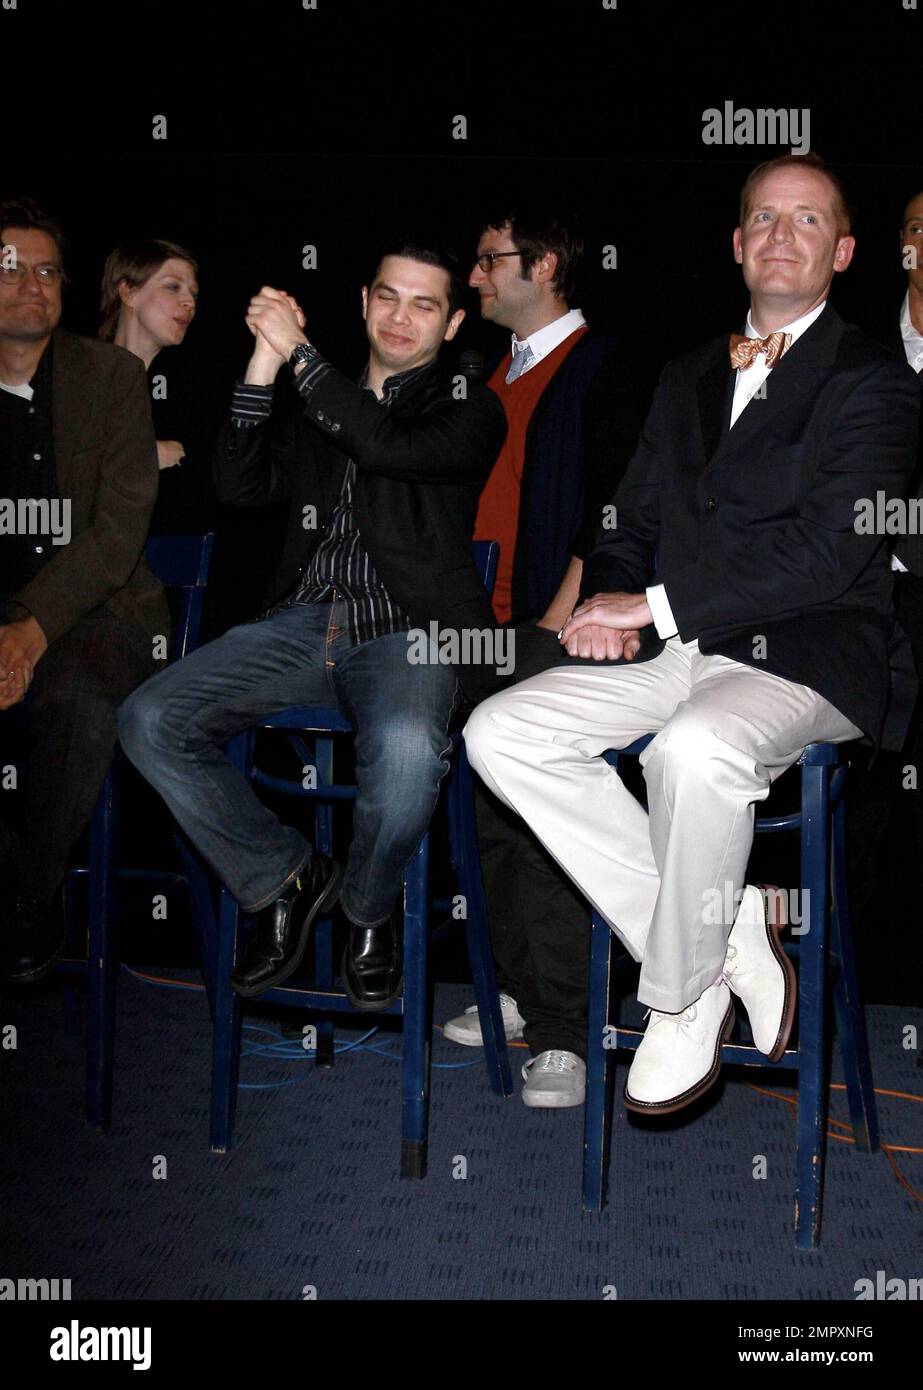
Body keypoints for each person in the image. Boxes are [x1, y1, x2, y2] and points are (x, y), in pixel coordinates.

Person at [464, 155, 921, 1115]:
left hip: (812, 652)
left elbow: (831, 554)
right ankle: (721, 934)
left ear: (840, 252)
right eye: (761, 218)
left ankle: (677, 1000)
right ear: (735, 243)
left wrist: (657, 605)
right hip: (680, 649)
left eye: (805, 222)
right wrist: (609, 602)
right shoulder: (683, 374)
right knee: (499, 731)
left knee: (695, 748)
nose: (779, 236)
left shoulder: (874, 381)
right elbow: (625, 523)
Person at [118, 240, 507, 1010]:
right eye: (388, 297)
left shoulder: (467, 407)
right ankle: (286, 877)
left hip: (409, 630)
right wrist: (266, 361)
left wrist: (301, 356)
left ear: (453, 322)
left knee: (402, 751)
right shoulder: (317, 403)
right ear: (363, 301)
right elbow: (236, 484)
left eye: (424, 304)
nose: (401, 317)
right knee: (148, 719)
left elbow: (384, 441)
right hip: (302, 624)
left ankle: (368, 909)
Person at [442, 210, 649, 1108]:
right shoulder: (489, 373)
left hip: (552, 628)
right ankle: (523, 997)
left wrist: (561, 620)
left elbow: (614, 502)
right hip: (479, 625)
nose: (475, 277)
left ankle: (568, 1032)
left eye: (489, 262)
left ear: (546, 265)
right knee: (486, 814)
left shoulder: (605, 365)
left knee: (541, 821)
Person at [0, 197, 169, 983]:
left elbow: (116, 531)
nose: (33, 285)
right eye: (11, 269)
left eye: (46, 270)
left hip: (105, 610)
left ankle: (29, 899)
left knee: (76, 703)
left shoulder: (112, 377)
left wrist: (31, 626)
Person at [99, 239, 217, 534]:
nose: (189, 302)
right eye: (173, 287)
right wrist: (145, 457)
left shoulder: (192, 389)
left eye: (193, 293)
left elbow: (204, 486)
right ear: (128, 290)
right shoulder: (77, 373)